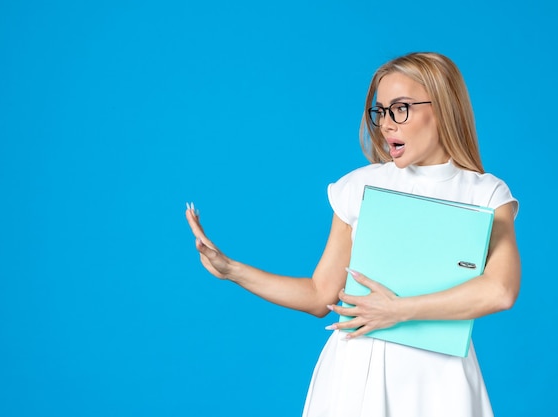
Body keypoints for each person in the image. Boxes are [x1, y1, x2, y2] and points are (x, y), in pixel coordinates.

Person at [185, 52, 520, 417]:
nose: (387, 125)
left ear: (442, 107)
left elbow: (500, 291)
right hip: (356, 372)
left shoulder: (486, 194)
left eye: (401, 108)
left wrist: (398, 311)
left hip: (439, 378)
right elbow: (320, 295)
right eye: (380, 111)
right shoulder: (359, 186)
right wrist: (232, 269)